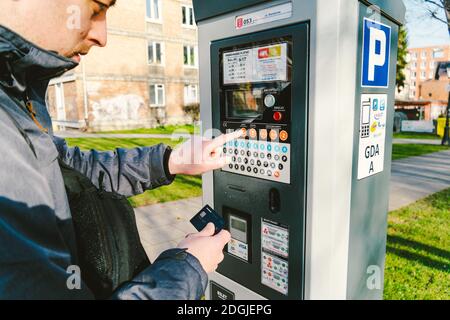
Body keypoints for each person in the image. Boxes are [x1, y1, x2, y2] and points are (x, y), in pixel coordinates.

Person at [0, 0, 243, 299]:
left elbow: (72, 173)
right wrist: (186, 268)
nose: (102, 36)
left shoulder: (15, 98)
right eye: (96, 9)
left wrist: (170, 161)